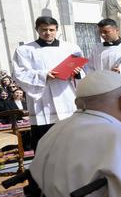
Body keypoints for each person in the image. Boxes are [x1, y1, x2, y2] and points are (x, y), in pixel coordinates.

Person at [11, 16, 84, 150]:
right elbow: (18, 73)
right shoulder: (25, 50)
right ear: (37, 30)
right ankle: (45, 167)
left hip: (66, 95)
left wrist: (77, 73)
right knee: (46, 138)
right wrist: (44, 75)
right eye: (44, 30)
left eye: (51, 30)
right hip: (42, 99)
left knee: (71, 135)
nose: (48, 33)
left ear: (57, 29)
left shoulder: (71, 48)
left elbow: (81, 72)